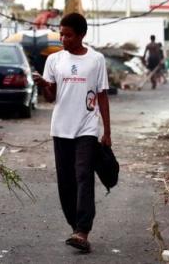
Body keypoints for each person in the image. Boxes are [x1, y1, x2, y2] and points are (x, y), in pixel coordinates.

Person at [33, 13, 111, 254]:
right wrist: (43, 85)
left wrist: (107, 131)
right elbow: (51, 97)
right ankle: (74, 225)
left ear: (81, 35)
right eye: (61, 34)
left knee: (83, 176)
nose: (63, 39)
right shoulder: (54, 60)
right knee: (66, 182)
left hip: (86, 128)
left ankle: (83, 230)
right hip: (61, 128)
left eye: (68, 35)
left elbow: (102, 95)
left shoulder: (96, 60)